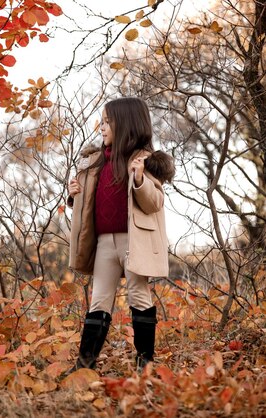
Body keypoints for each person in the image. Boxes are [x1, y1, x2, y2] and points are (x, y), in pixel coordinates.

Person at [66, 97, 175, 373]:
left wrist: (139, 180)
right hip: (104, 243)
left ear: (125, 124)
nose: (101, 127)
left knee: (139, 295)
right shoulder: (94, 163)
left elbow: (154, 203)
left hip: (134, 241)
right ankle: (84, 366)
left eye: (107, 121)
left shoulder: (144, 161)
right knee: (99, 300)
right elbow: (90, 202)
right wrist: (73, 195)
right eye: (101, 121)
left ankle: (145, 364)